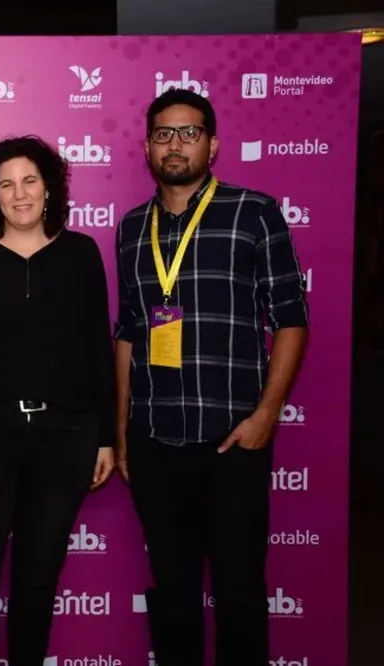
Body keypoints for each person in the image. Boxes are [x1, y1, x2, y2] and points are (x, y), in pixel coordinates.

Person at [114, 89, 309, 666]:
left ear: (213, 143)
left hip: (232, 441)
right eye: (164, 134)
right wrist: (124, 434)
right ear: (147, 146)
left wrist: (266, 415)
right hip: (154, 441)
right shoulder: (130, 229)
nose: (176, 144)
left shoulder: (255, 212)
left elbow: (292, 320)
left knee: (239, 591)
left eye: (189, 132)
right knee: (172, 592)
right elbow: (127, 333)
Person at [0, 136, 116, 666]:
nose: (19, 194)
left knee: (37, 579)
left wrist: (107, 435)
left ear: (50, 188)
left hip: (66, 436)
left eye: (30, 181)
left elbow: (98, 349)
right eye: (6, 184)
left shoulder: (81, 253)